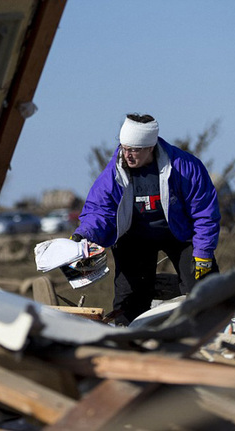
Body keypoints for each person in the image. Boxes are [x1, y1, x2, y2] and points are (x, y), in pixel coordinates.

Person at [71, 113, 221, 325]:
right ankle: (126, 336)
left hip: (179, 234)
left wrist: (204, 252)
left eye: (134, 149)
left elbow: (205, 212)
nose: (128, 155)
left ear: (150, 147)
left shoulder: (185, 167)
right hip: (134, 237)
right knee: (130, 296)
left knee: (203, 282)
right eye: (124, 148)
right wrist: (84, 234)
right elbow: (99, 210)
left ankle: (213, 328)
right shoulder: (114, 173)